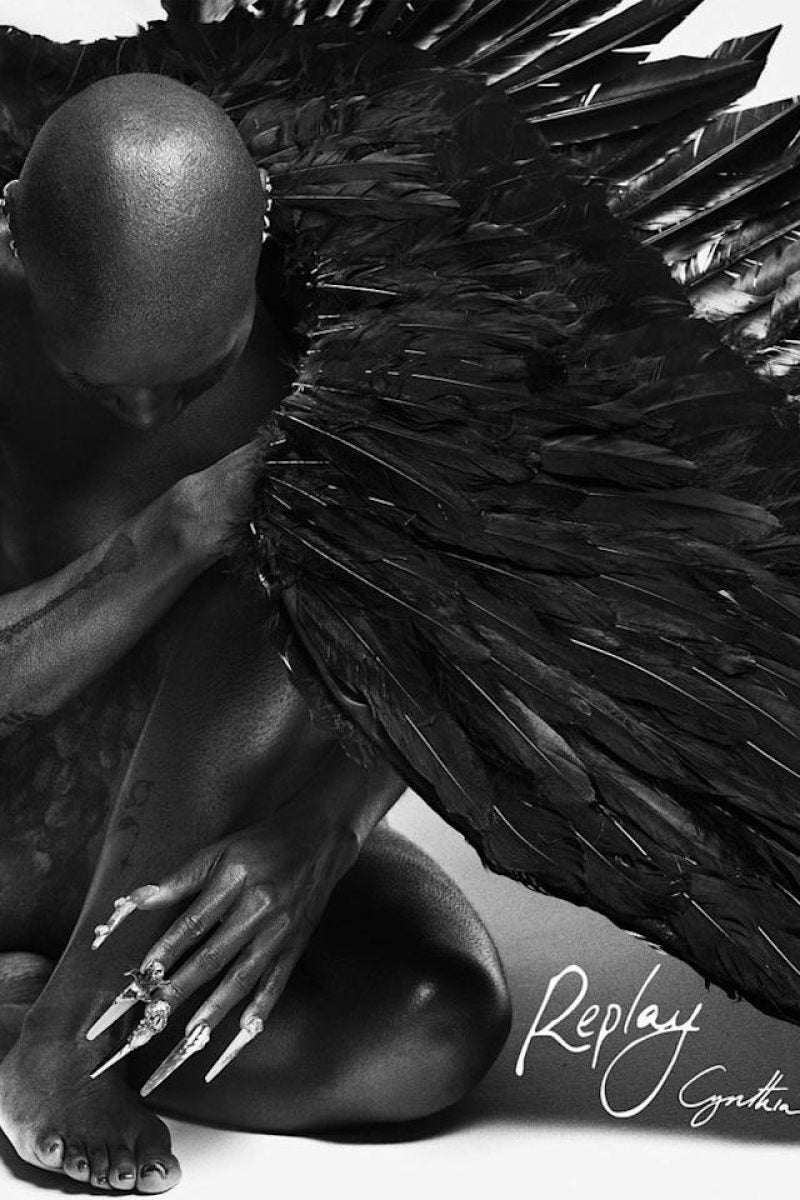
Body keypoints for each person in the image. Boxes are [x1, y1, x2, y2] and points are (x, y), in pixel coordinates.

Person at [0, 72, 512, 1194]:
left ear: (262, 232)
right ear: (13, 238)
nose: (149, 413)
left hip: (175, 837)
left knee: (426, 1030)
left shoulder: (361, 352)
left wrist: (323, 828)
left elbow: (434, 646)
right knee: (241, 522)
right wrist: (169, 536)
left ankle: (45, 1013)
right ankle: (72, 1039)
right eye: (97, 380)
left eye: (197, 372)